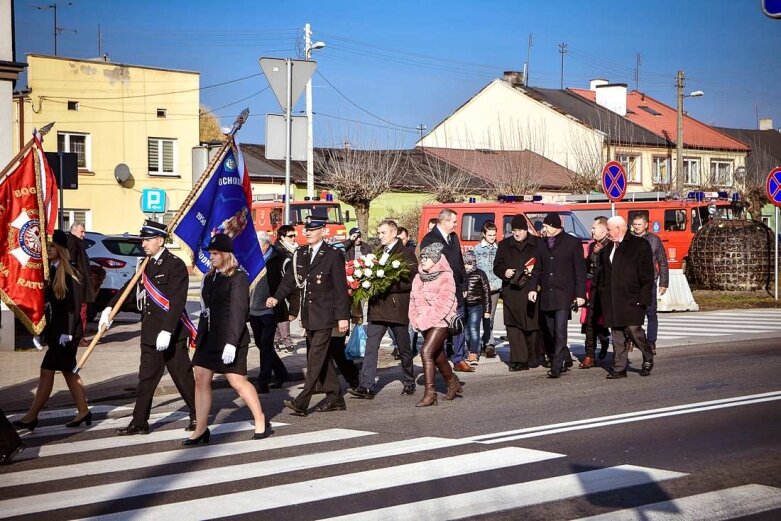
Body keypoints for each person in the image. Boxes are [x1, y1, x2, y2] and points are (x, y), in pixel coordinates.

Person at [99, 220, 196, 435]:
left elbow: (177, 301)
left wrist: (167, 330)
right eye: (143, 239)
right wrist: (109, 307)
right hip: (151, 332)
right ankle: (139, 422)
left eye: (148, 239)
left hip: (171, 334)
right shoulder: (145, 264)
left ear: (160, 241)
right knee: (146, 379)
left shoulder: (175, 264)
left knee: (182, 377)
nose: (144, 243)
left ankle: (197, 413)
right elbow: (129, 288)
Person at [183, 234, 271, 445]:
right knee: (201, 379)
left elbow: (239, 312)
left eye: (215, 254)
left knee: (237, 382)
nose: (211, 257)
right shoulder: (210, 277)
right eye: (210, 253)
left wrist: (231, 343)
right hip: (209, 338)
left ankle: (260, 419)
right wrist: (198, 336)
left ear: (225, 254)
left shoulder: (238, 277)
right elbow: (206, 310)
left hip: (230, 337)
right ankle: (201, 429)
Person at [267, 219, 350, 416]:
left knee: (314, 358)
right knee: (321, 358)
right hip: (308, 315)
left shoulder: (333, 255)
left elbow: (340, 288)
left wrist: (343, 317)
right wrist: (276, 298)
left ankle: (302, 400)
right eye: (306, 229)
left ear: (324, 231)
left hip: (325, 315)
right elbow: (290, 280)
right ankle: (335, 397)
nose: (308, 232)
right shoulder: (301, 253)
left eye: (313, 230)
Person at [14, 230, 91, 430]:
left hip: (66, 334)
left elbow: (73, 306)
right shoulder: (54, 270)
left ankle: (31, 416)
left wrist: (68, 332)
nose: (48, 250)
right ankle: (83, 411)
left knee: (47, 371)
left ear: (62, 249)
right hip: (58, 332)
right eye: (47, 246)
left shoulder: (69, 273)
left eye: (52, 247)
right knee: (68, 372)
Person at [348, 220, 418, 399]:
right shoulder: (378, 253)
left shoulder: (405, 254)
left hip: (396, 309)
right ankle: (366, 386)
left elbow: (410, 281)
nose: (380, 236)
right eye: (378, 233)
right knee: (371, 348)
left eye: (383, 233)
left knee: (403, 348)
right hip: (378, 309)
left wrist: (385, 284)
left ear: (394, 233)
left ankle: (409, 381)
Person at [597, 216, 655, 379]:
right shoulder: (607, 249)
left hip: (632, 297)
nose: (607, 233)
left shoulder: (639, 245)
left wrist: (644, 298)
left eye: (609, 229)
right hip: (613, 299)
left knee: (633, 329)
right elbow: (602, 274)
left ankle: (647, 354)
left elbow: (647, 274)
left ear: (619, 228)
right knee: (617, 333)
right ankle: (619, 367)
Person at [408, 243, 461, 407]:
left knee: (426, 351)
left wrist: (422, 322)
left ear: (436, 260)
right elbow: (413, 301)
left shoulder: (446, 277)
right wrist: (415, 320)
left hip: (442, 322)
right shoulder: (419, 277)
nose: (422, 261)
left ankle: (430, 394)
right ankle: (452, 383)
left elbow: (443, 305)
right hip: (424, 322)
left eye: (426, 258)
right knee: (438, 356)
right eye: (422, 257)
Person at [419, 208, 471, 372]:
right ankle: (437, 358)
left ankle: (459, 358)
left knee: (459, 323)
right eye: (454, 222)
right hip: (440, 291)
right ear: (445, 221)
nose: (456, 225)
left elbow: (459, 262)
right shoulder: (430, 239)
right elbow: (428, 267)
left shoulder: (454, 238)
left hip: (457, 288)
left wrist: (465, 284)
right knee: (440, 326)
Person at [535, 213, 586, 379]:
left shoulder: (573, 243)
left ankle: (556, 366)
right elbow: (538, 269)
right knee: (549, 330)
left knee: (560, 331)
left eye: (547, 226)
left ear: (555, 226)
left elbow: (580, 271)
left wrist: (580, 294)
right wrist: (532, 288)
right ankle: (564, 357)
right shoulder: (541, 244)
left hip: (564, 294)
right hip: (547, 295)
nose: (545, 229)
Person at [493, 216, 541, 371]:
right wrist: (504, 271)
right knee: (513, 327)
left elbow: (544, 265)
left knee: (532, 326)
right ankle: (518, 360)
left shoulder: (538, 243)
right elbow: (497, 266)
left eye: (519, 230)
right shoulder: (504, 245)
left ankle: (534, 357)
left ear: (526, 229)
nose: (517, 233)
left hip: (531, 290)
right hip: (512, 291)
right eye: (514, 230)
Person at [248, 231, 289, 394]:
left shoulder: (278, 258)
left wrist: (291, 308)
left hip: (270, 309)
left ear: (266, 244)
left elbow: (288, 283)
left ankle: (263, 381)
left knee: (266, 344)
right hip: (253, 308)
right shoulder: (252, 258)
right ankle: (281, 373)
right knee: (260, 343)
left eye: (258, 245)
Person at [630, 214, 669, 355]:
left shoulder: (654, 240)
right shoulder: (629, 239)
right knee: (633, 313)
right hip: (632, 282)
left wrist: (664, 282)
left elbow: (662, 261)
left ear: (646, 225)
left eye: (639, 224)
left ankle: (651, 342)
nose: (636, 227)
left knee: (651, 313)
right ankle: (633, 340)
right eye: (634, 224)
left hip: (650, 281)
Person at [580, 216, 612, 368]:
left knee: (602, 321)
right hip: (591, 287)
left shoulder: (611, 245)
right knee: (589, 323)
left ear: (604, 230)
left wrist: (601, 253)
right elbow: (587, 265)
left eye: (594, 228)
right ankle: (589, 355)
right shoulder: (592, 245)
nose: (591, 231)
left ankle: (605, 341)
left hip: (605, 289)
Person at [473, 221, 502, 356]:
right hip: (480, 289)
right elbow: (473, 269)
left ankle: (488, 344)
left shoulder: (498, 249)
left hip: (495, 288)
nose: (492, 238)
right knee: (478, 316)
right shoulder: (476, 250)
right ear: (484, 234)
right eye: (490, 235)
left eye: (494, 235)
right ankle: (475, 343)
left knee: (489, 316)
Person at [67, 222, 96, 347]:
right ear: (74, 230)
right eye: (82, 232)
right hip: (78, 283)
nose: (84, 235)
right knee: (81, 311)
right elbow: (71, 262)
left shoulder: (76, 242)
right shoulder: (73, 242)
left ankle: (79, 336)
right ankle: (79, 337)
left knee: (82, 310)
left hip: (80, 282)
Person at [463, 250, 491, 365]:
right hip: (463, 306)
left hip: (476, 305)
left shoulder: (480, 274)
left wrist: (487, 310)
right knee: (465, 332)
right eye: (465, 263)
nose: (467, 266)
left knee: (474, 329)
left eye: (470, 263)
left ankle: (474, 352)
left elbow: (486, 292)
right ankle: (471, 349)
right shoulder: (461, 274)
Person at [273, 224, 298, 353]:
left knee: (280, 315)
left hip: (283, 288)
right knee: (284, 316)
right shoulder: (280, 252)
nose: (294, 238)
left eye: (294, 235)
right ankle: (287, 342)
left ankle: (276, 340)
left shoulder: (290, 250)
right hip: (281, 289)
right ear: (282, 237)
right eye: (290, 236)